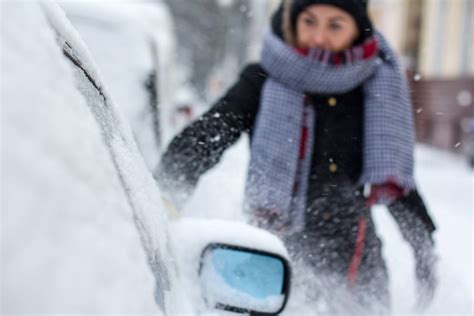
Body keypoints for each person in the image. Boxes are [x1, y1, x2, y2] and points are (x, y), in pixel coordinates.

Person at [157, 0, 437, 313]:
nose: (319, 37)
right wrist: (164, 192)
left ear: (357, 29)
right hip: (274, 255)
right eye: (309, 21)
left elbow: (395, 175)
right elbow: (210, 133)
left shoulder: (374, 88)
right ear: (292, 22)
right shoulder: (263, 79)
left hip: (358, 260)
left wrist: (424, 246)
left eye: (335, 25)